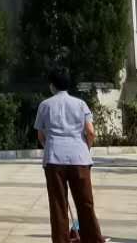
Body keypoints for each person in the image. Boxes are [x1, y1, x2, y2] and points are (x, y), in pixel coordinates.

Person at [32, 67, 103, 243]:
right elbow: (90, 131)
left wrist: (50, 147)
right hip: (79, 157)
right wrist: (86, 148)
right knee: (85, 203)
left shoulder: (45, 105)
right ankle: (93, 239)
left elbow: (40, 135)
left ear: (52, 85)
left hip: (54, 158)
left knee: (58, 204)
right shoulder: (80, 104)